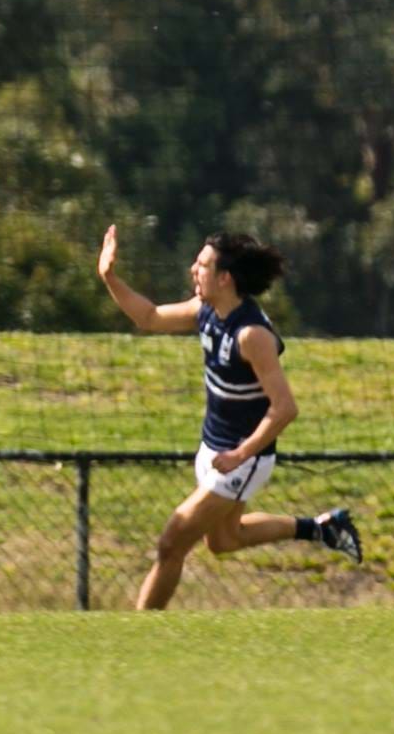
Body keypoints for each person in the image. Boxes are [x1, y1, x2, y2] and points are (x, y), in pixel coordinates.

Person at [96, 224, 363, 610]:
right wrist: (110, 277)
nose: (193, 269)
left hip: (243, 458)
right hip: (215, 448)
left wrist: (241, 454)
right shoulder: (206, 310)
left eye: (202, 265)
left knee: (171, 543)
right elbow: (150, 317)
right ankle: (322, 528)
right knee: (224, 540)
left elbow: (285, 408)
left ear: (225, 278)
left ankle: (139, 634)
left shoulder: (251, 335)